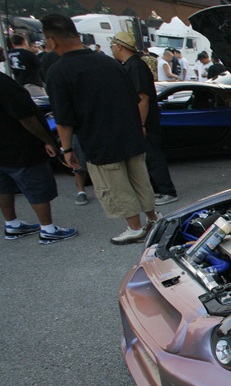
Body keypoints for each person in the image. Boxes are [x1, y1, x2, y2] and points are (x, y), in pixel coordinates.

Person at [42, 13, 158, 245]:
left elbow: (63, 118)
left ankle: (135, 227)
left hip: (99, 139)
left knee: (116, 184)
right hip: (129, 132)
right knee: (139, 178)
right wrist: (139, 127)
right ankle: (153, 219)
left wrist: (67, 149)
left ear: (52, 41)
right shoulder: (109, 62)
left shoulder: (59, 71)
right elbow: (134, 99)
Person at [0, 72, 77, 244]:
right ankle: (48, 229)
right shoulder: (5, 84)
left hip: (3, 150)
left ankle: (12, 224)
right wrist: (47, 140)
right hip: (19, 147)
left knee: (3, 187)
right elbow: (25, 116)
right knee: (36, 186)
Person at [110, 31, 178, 207]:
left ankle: (166, 190)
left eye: (112, 46)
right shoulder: (131, 65)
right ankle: (157, 190)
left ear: (119, 46)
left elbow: (143, 98)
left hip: (145, 122)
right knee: (147, 158)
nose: (111, 49)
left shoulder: (136, 66)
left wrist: (140, 124)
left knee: (153, 157)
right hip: (140, 121)